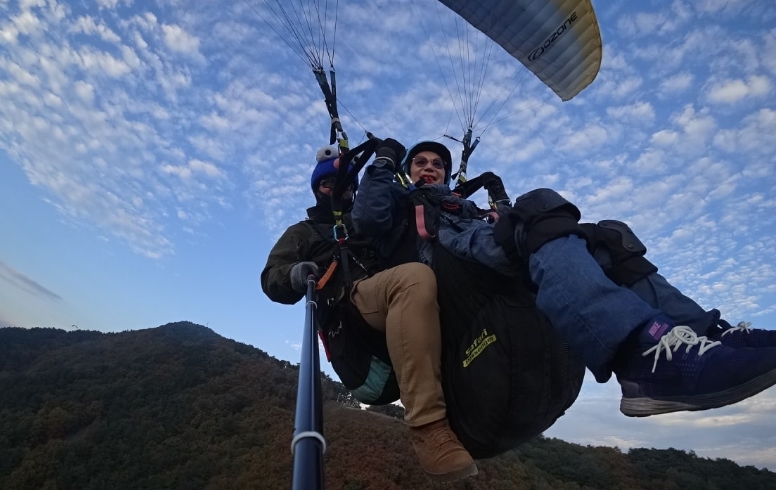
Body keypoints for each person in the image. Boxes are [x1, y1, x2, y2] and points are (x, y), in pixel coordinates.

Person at [352, 138, 776, 418]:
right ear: (409, 171)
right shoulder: (399, 201)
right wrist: (384, 163)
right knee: (540, 208)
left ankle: (710, 333)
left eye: (438, 164)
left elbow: (502, 222)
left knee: (608, 237)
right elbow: (368, 218)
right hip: (449, 263)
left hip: (484, 245)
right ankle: (638, 356)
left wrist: (498, 196)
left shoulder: (462, 204)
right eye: (421, 163)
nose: (430, 168)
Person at [260, 145, 478, 481]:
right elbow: (270, 279)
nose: (339, 191)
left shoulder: (368, 219)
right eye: (329, 184)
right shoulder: (302, 233)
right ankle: (427, 426)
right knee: (413, 278)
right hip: (350, 313)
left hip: (399, 310)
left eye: (346, 185)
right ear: (318, 189)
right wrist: (294, 274)